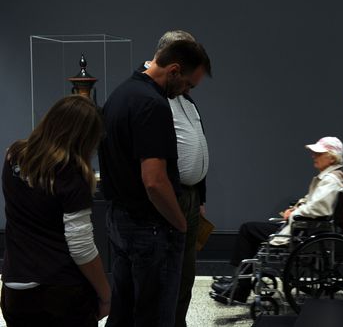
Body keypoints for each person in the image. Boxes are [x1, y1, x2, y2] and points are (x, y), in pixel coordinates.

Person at [99, 36, 209, 327]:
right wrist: (180, 223)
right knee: (155, 313)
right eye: (188, 84)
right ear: (174, 71)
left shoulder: (121, 95)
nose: (186, 91)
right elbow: (154, 181)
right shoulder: (153, 104)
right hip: (150, 225)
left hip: (121, 217)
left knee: (125, 307)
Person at [1, 95, 111, 327]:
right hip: (60, 295)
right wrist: (105, 293)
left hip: (16, 288)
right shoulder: (72, 175)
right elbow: (81, 248)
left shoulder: (13, 156)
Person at [210, 137, 343, 304]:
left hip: (301, 231)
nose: (313, 156)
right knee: (251, 231)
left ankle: (240, 286)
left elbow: (319, 208)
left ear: (332, 157)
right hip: (303, 227)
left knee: (248, 230)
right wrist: (297, 207)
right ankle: (239, 282)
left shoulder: (330, 180)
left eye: (318, 153)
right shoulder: (329, 177)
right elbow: (314, 202)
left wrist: (295, 212)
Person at [141, 30, 212, 327]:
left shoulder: (185, 98)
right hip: (172, 193)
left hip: (191, 195)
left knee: (185, 273)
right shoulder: (155, 97)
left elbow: (198, 143)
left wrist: (201, 198)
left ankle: (177, 321)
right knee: (167, 275)